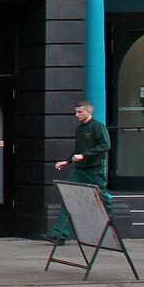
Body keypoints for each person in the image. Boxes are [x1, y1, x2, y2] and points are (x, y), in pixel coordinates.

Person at [50, 101, 111, 242]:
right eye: (76, 112)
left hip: (95, 170)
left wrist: (85, 155)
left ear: (89, 112)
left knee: (103, 198)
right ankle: (59, 234)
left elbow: (105, 145)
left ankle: (110, 224)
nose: (77, 115)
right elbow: (78, 150)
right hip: (80, 170)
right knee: (68, 197)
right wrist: (67, 161)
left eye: (80, 112)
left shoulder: (97, 127)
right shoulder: (80, 129)